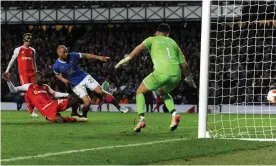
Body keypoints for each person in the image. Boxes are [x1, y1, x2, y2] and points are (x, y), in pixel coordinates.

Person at [115, 23, 196, 132]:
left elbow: (140, 48)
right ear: (168, 33)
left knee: (140, 91)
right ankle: (174, 115)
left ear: (157, 32)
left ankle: (141, 119)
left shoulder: (152, 39)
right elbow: (184, 64)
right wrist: (188, 78)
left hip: (161, 72)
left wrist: (129, 58)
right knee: (163, 93)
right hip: (176, 74)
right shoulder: (173, 42)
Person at [53, 45, 129, 121]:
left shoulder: (72, 55)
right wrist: (63, 79)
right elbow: (57, 74)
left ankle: (120, 108)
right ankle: (84, 116)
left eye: (66, 51)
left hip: (84, 77)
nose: (66, 54)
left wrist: (99, 57)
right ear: (58, 53)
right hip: (76, 84)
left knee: (101, 91)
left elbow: (86, 55)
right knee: (87, 102)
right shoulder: (56, 65)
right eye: (64, 52)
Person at [3, 72, 80, 123]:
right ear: (36, 78)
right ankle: (70, 119)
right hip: (46, 110)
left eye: (44, 78)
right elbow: (14, 90)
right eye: (42, 78)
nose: (44, 79)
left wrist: (67, 95)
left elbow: (54, 93)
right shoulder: (29, 86)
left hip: (53, 103)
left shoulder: (45, 86)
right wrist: (8, 81)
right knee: (60, 121)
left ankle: (75, 114)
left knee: (75, 100)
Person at [2, 33, 39, 118]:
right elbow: (12, 60)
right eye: (27, 40)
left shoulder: (33, 50)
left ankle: (35, 108)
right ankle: (31, 111)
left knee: (34, 90)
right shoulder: (18, 49)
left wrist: (36, 73)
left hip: (32, 73)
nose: (28, 41)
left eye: (30, 40)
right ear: (24, 40)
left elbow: (34, 62)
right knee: (27, 91)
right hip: (24, 74)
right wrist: (7, 70)